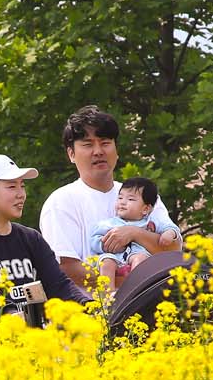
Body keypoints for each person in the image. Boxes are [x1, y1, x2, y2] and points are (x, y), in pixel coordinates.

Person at [0, 153, 91, 326]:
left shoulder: (31, 239)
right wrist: (12, 317)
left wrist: (89, 307)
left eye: (22, 186)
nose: (21, 194)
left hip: (36, 343)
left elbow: (59, 286)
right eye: (11, 187)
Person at [40, 105, 149, 289]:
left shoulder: (141, 194)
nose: (98, 151)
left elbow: (170, 247)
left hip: (149, 307)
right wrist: (132, 284)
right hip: (90, 312)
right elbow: (66, 267)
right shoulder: (61, 202)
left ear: (116, 149)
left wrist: (135, 233)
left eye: (105, 142)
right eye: (88, 144)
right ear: (71, 154)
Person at [87, 176, 182, 288]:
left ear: (145, 209)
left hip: (136, 257)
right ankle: (107, 297)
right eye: (120, 198)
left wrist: (169, 234)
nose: (123, 203)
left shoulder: (151, 223)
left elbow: (169, 227)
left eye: (130, 199)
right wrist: (104, 245)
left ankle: (134, 291)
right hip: (114, 258)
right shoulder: (109, 224)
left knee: (140, 259)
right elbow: (94, 239)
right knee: (106, 262)